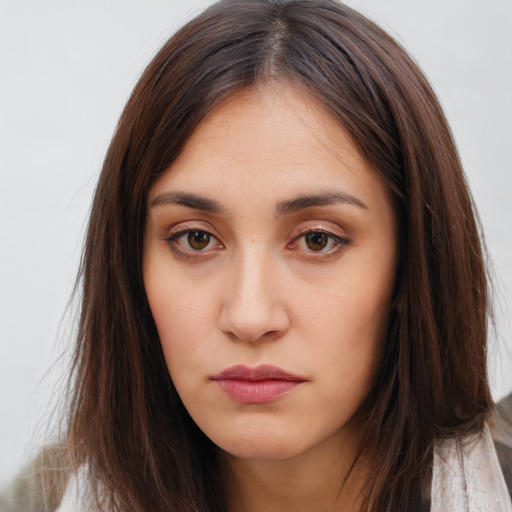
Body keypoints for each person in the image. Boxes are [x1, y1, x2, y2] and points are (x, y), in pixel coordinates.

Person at [1, 0, 511, 511]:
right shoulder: (44, 500)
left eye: (317, 239)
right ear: (131, 268)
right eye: (196, 239)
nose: (249, 317)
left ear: (411, 266)